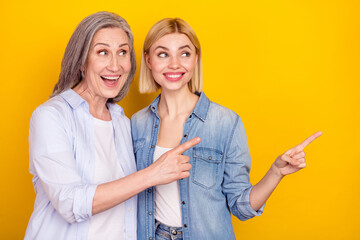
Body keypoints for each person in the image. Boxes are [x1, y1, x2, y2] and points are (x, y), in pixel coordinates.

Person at [131, 18, 322, 240]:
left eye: (184, 53)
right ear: (148, 60)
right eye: (163, 54)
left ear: (196, 59)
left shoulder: (225, 123)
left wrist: (276, 172)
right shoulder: (137, 123)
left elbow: (241, 207)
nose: (175, 64)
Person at [25, 12, 200, 240]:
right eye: (102, 52)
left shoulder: (123, 122)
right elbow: (70, 203)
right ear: (81, 61)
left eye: (123, 52)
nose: (115, 65)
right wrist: (152, 174)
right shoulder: (51, 116)